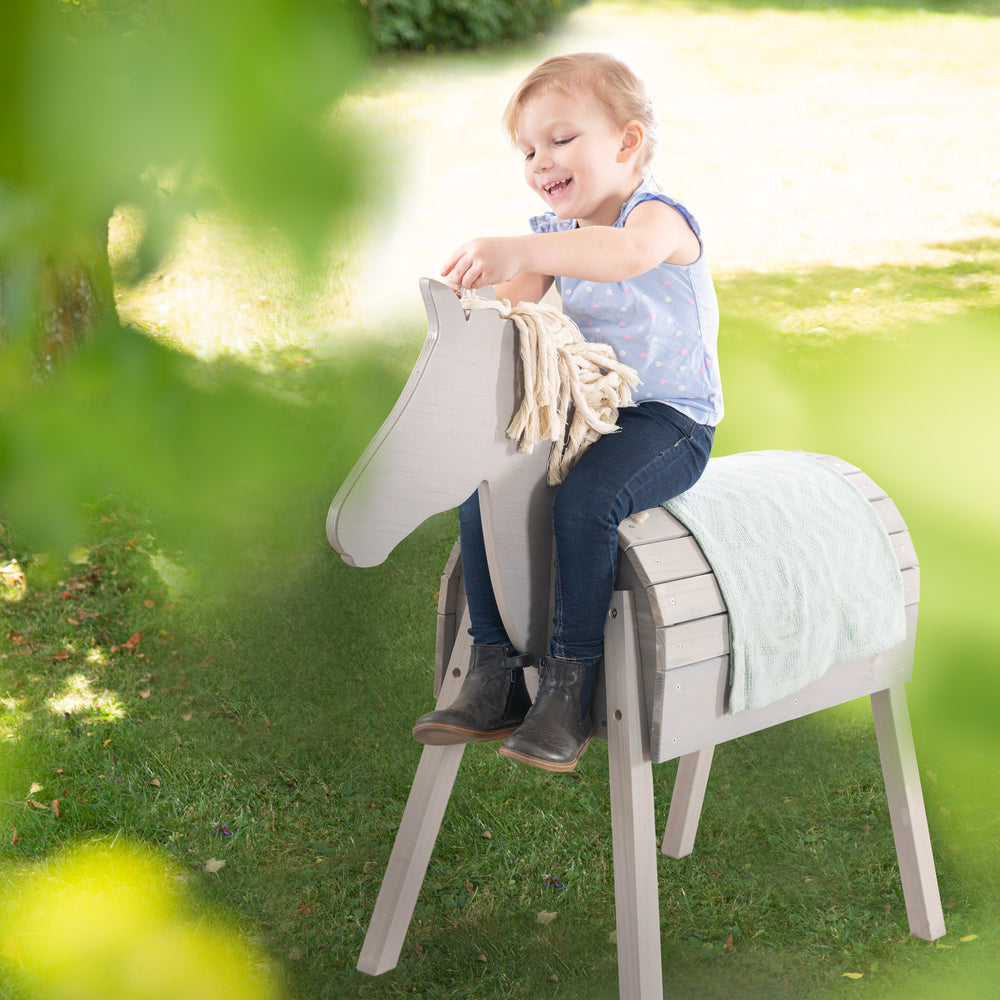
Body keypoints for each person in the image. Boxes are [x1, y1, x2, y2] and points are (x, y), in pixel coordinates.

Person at [412, 52, 723, 772]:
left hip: (671, 421)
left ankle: (568, 688)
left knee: (588, 500)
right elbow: (507, 312)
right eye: (526, 149)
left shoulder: (656, 220)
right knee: (483, 476)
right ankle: (493, 670)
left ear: (627, 143)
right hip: (596, 413)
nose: (540, 161)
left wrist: (523, 244)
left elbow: (622, 256)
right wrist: (466, 310)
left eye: (559, 140)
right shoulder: (552, 238)